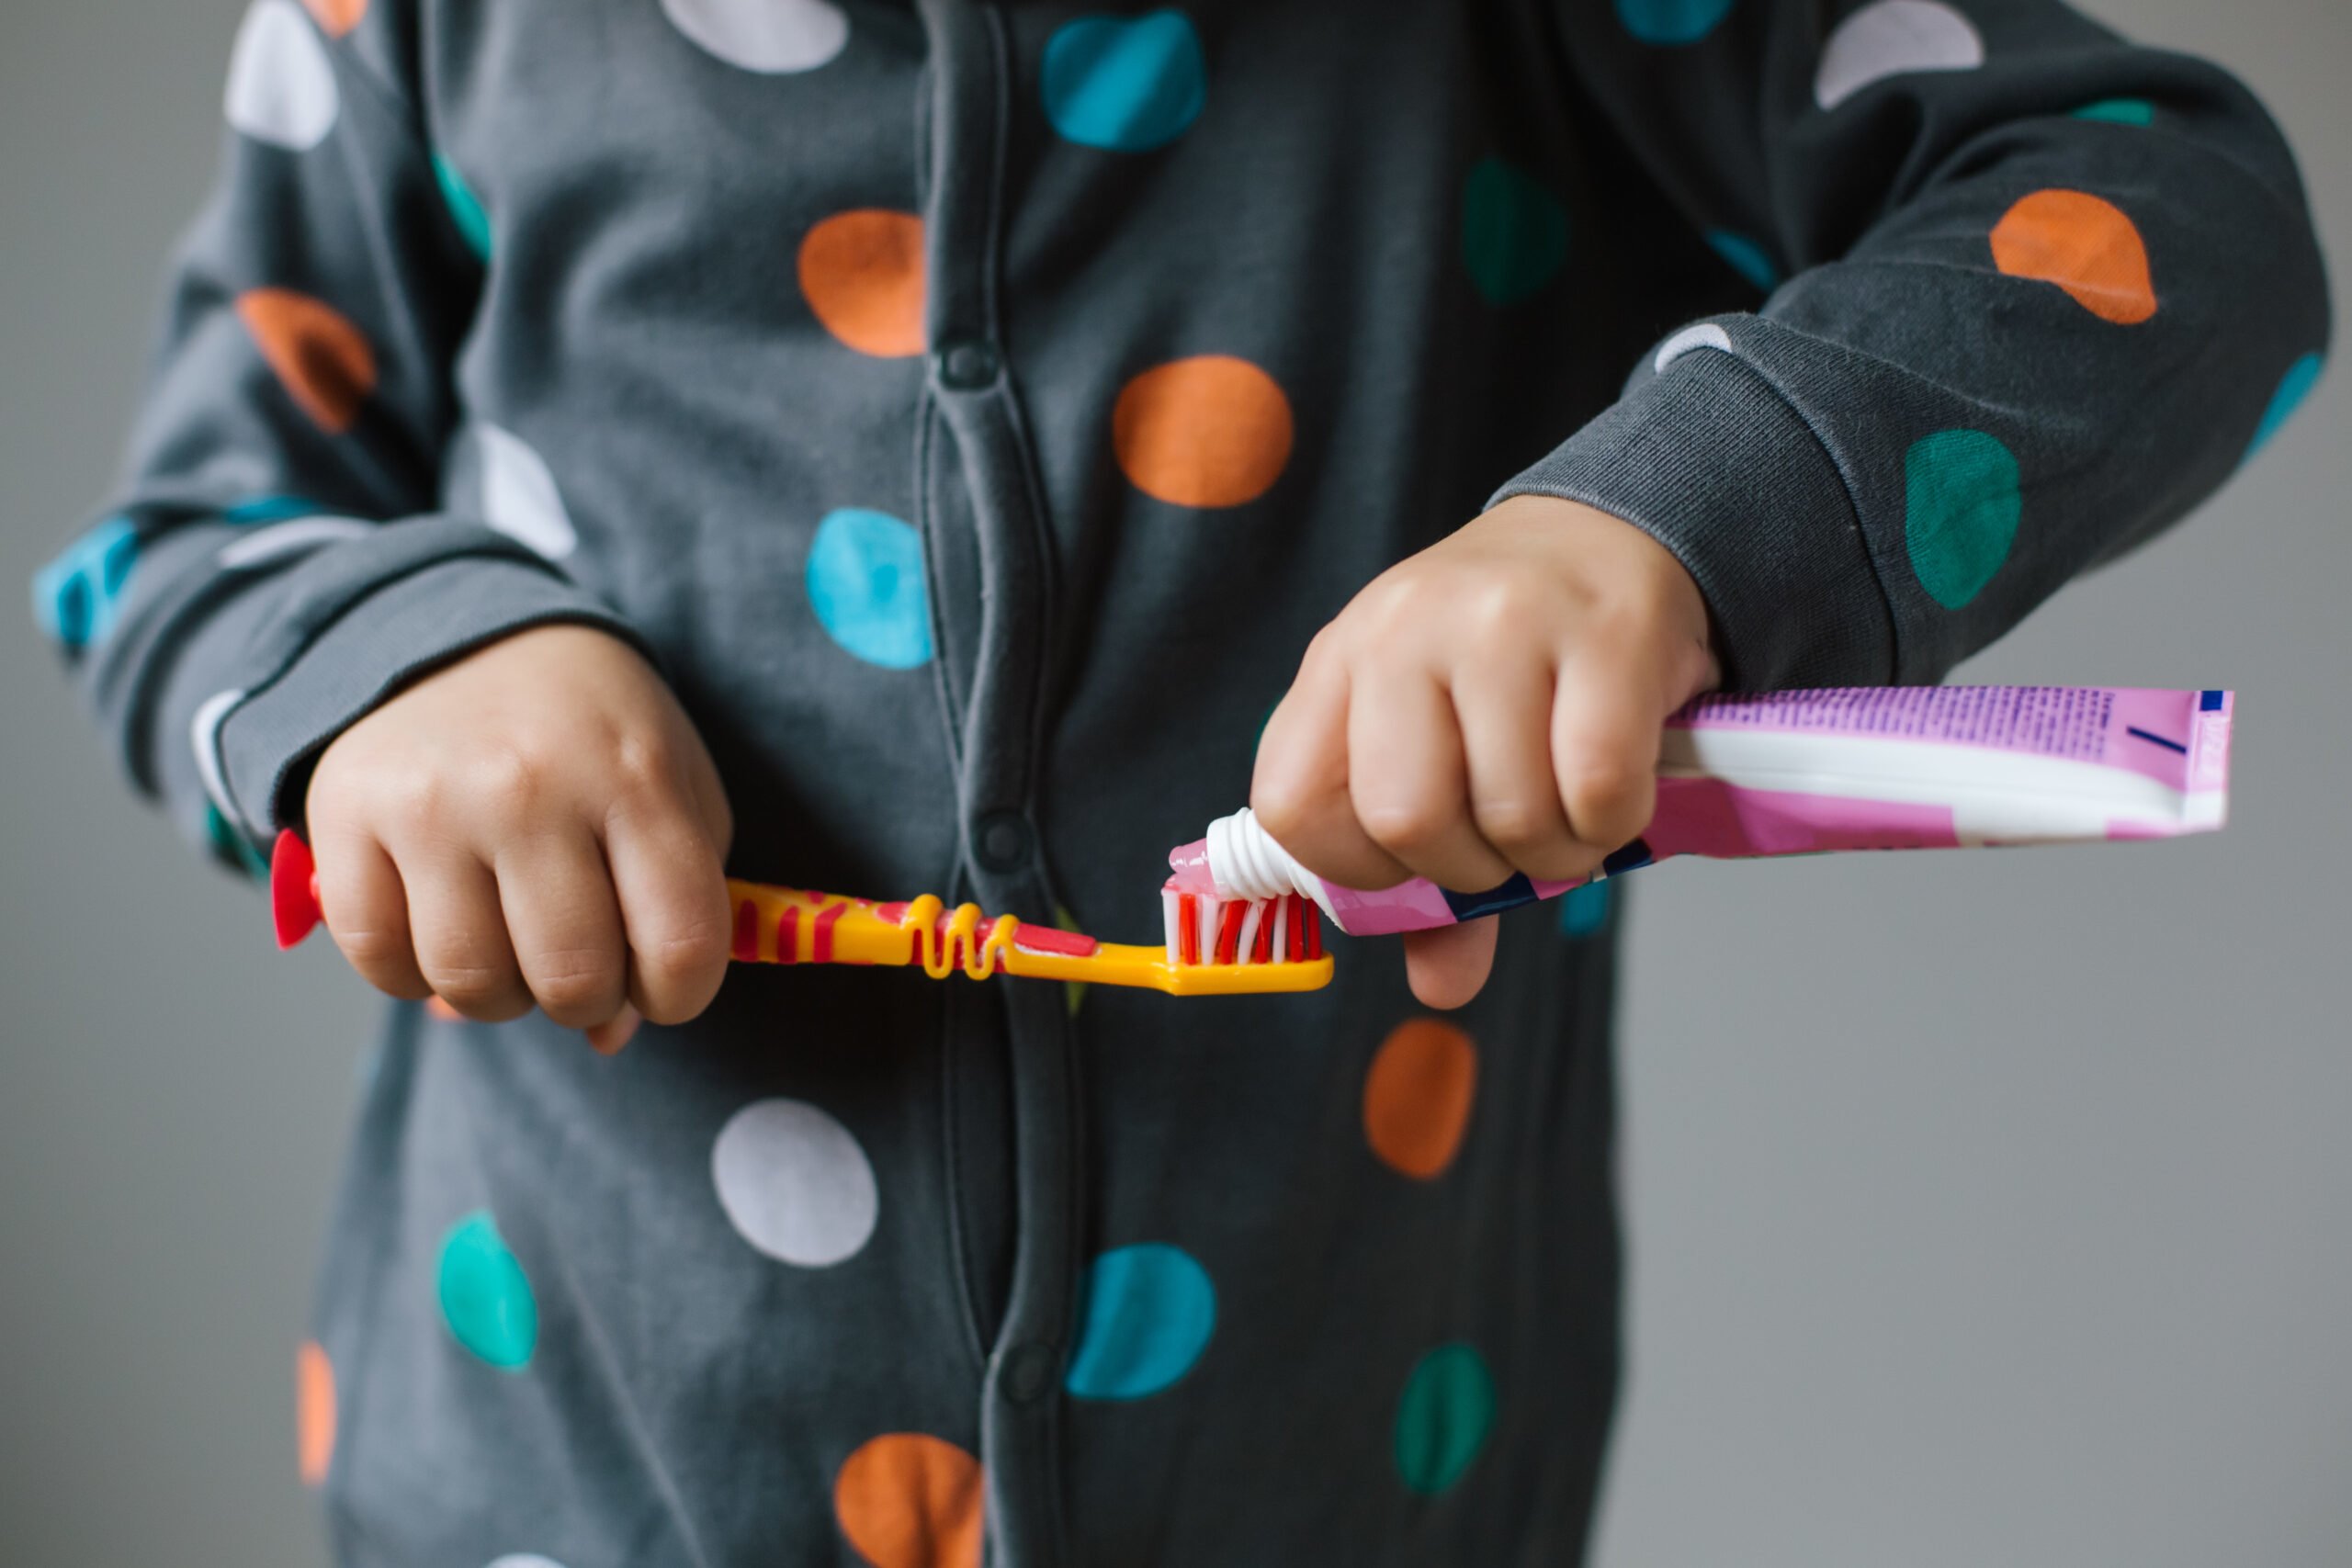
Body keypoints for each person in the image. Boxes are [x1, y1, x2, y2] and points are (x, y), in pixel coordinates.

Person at [32, 0, 2328, 1562]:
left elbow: (2169, 208)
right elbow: (178, 543)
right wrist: (389, 671)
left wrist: (1660, 521)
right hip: (564, 1470)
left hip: (1362, 1482)